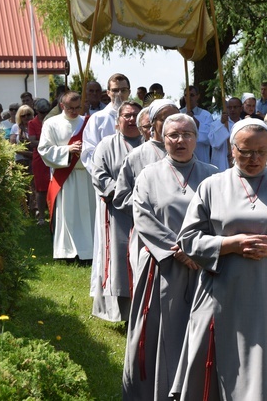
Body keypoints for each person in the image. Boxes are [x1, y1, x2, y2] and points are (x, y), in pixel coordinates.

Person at [171, 119, 267, 400]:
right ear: (232, 149)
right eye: (246, 152)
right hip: (222, 294)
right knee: (223, 367)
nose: (255, 159)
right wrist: (230, 245)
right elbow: (188, 240)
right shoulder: (212, 187)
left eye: (262, 152)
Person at [123, 113, 218, 400]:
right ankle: (160, 390)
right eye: (173, 135)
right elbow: (143, 216)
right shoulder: (148, 175)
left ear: (196, 137)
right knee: (161, 332)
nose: (180, 141)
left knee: (202, 329)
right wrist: (178, 250)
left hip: (204, 267)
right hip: (162, 265)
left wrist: (199, 250)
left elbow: (221, 218)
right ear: (162, 138)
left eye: (187, 134)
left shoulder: (213, 175)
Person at [90, 102, 144, 323]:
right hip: (116, 212)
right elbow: (100, 175)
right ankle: (119, 311)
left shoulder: (150, 145)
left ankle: (142, 310)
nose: (131, 120)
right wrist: (125, 198)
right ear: (118, 120)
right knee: (118, 259)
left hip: (145, 211)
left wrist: (143, 202)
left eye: (136, 116)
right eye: (127, 115)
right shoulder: (106, 145)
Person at [114, 100, 179, 282]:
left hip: (182, 233)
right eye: (164, 118)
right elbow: (121, 197)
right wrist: (149, 207)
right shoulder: (138, 155)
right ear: (152, 122)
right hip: (148, 234)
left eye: (174, 118)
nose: (169, 123)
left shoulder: (187, 151)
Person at [38, 91, 95, 261]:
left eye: (78, 107)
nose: (75, 111)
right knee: (68, 216)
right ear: (62, 105)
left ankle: (90, 251)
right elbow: (44, 149)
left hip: (86, 175)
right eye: (71, 108)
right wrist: (67, 150)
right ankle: (68, 252)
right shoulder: (51, 124)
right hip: (66, 177)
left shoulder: (88, 123)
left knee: (88, 214)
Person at [29, 98, 52, 226]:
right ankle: (42, 217)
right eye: (42, 112)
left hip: (52, 157)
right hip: (39, 159)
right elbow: (32, 142)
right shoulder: (32, 123)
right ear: (36, 111)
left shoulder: (53, 121)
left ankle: (54, 213)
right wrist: (48, 143)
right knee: (41, 188)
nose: (44, 114)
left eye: (46, 112)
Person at [181, 86, 213, 164]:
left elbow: (210, 138)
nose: (189, 98)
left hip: (201, 156)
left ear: (197, 96)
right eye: (186, 95)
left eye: (192, 95)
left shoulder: (206, 115)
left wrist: (195, 122)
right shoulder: (178, 114)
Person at [208, 96, 242, 171]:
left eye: (235, 107)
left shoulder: (244, 125)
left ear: (241, 108)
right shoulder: (216, 124)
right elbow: (214, 143)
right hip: (221, 164)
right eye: (229, 107)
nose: (232, 109)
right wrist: (222, 124)